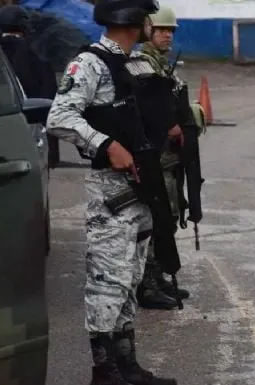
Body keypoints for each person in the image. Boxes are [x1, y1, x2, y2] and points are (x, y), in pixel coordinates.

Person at [45, 0, 179, 383]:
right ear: (137, 20)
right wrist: (105, 145)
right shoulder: (90, 63)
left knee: (131, 277)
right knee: (108, 279)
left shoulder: (136, 63)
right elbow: (60, 117)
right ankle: (104, 370)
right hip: (111, 191)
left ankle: (126, 364)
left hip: (142, 187)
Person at [134, 5, 196, 311]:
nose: (167, 36)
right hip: (156, 157)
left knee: (169, 217)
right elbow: (147, 108)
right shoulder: (142, 63)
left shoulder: (160, 63)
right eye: (162, 30)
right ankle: (148, 284)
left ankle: (158, 279)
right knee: (157, 219)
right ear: (148, 31)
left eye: (171, 31)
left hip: (168, 158)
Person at [0, 4, 61, 168]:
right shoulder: (36, 55)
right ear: (24, 25)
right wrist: (52, 154)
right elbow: (48, 102)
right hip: (29, 136)